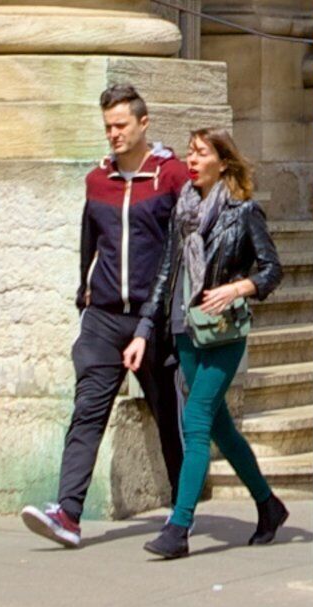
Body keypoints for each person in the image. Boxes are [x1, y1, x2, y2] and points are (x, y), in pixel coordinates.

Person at [21, 85, 188, 549]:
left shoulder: (170, 176)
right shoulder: (98, 181)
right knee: (87, 410)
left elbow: (179, 253)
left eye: (121, 126)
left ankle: (182, 506)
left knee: (166, 412)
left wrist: (165, 315)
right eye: (108, 127)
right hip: (104, 316)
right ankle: (68, 513)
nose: (113, 135)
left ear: (143, 123)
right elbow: (87, 240)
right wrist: (84, 295)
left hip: (152, 319)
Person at [126, 127, 289, 558]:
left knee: (195, 423)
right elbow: (165, 274)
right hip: (184, 332)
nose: (191, 161)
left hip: (221, 334)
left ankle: (178, 528)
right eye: (189, 153)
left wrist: (237, 289)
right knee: (220, 428)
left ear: (224, 161)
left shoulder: (243, 212)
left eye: (200, 154)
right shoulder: (183, 211)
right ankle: (268, 506)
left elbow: (273, 269)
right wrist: (145, 330)